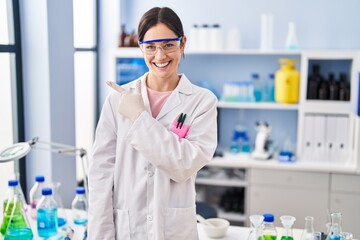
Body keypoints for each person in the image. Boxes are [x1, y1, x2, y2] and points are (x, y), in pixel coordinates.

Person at [88, 6, 218, 240]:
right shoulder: (117, 99)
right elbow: (100, 176)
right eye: (150, 47)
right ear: (141, 48)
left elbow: (184, 165)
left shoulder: (202, 102)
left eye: (168, 45)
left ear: (183, 43)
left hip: (174, 230)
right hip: (127, 229)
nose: (160, 56)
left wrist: (139, 118)